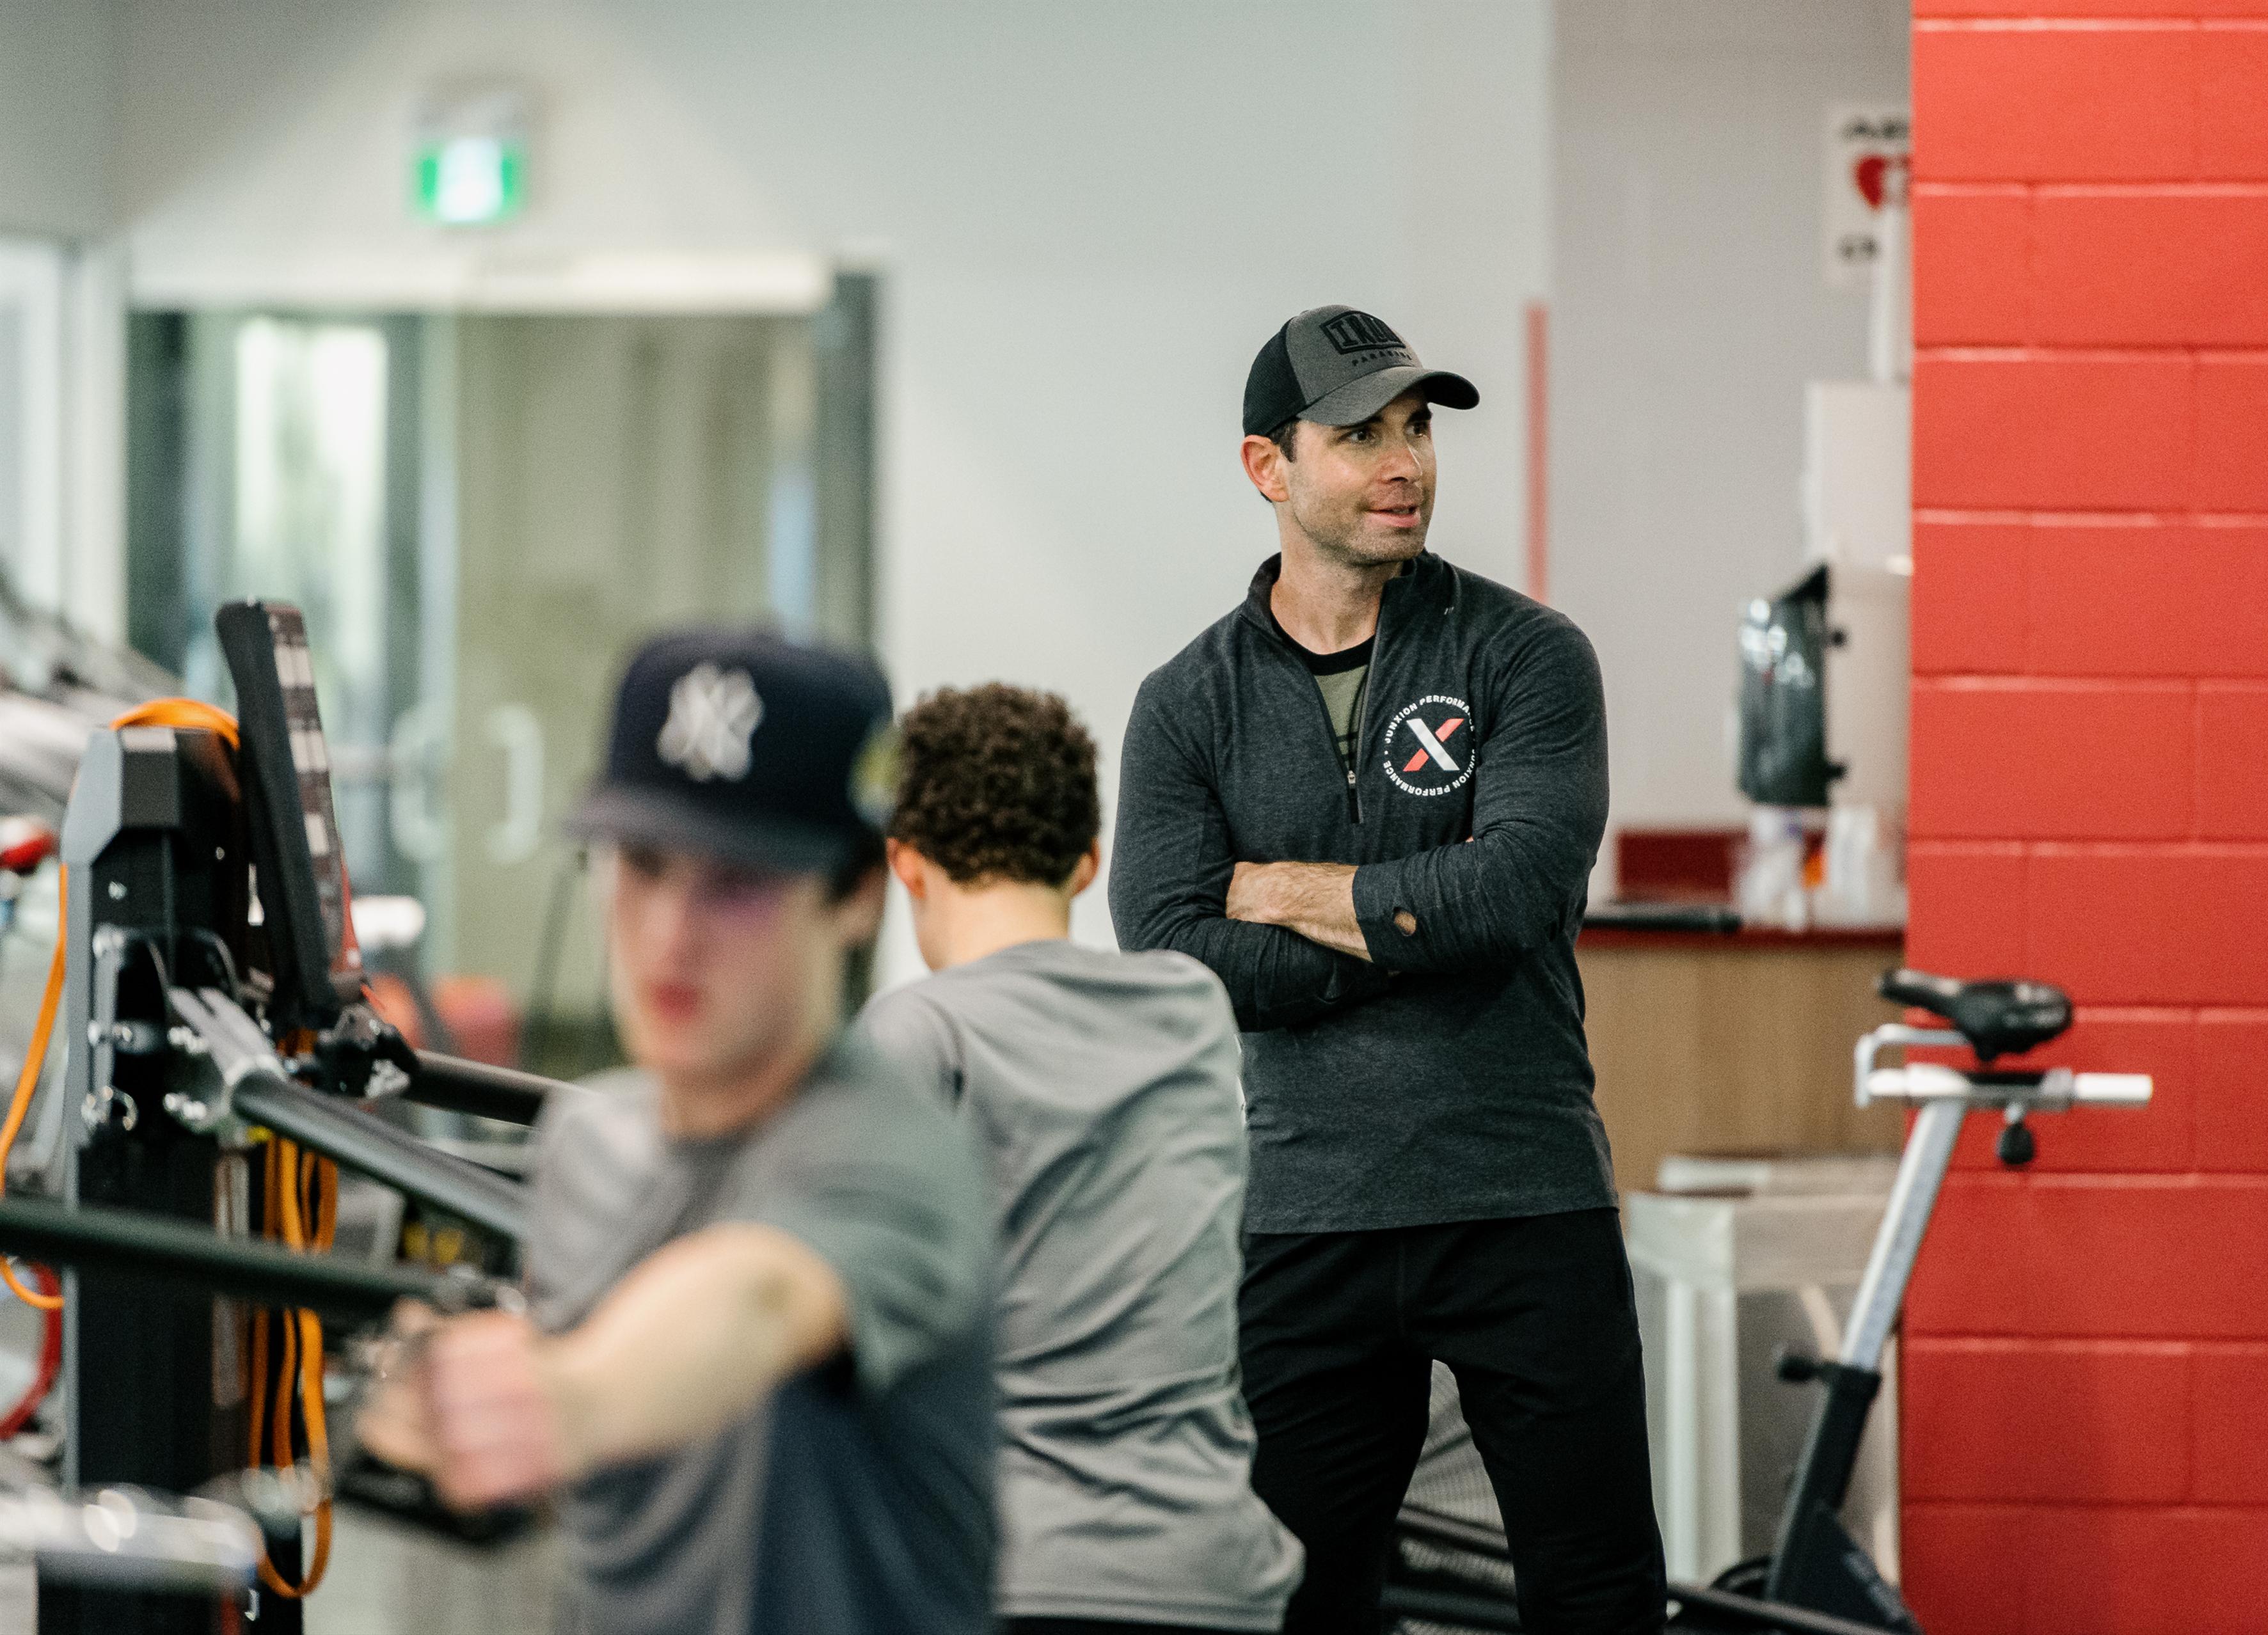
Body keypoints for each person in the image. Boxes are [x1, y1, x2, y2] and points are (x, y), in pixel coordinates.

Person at [1107, 306, 1667, 1635]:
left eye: (1417, 427)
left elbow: (1518, 890)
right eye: (1360, 434)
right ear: (1270, 469)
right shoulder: (1189, 703)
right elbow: (1173, 948)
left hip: (1524, 1196)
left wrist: (1287, 893)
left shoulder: (1527, 655)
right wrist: (1415, 932)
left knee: (1597, 1594)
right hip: (1306, 1213)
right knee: (1298, 1602)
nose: (1405, 460)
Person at [359, 631, 997, 1635]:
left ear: (857, 898)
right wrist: (455, 1416)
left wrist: (575, 1394)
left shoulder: (901, 1152)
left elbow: (758, 1295)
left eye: (736, 883)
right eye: (644, 866)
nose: (671, 933)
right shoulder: (586, 1141)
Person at [860, 683, 1303, 1635]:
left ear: (906, 864)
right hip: (1212, 1575)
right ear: (1088, 865)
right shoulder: (1189, 1011)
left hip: (1011, 1574)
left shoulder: (916, 1034)